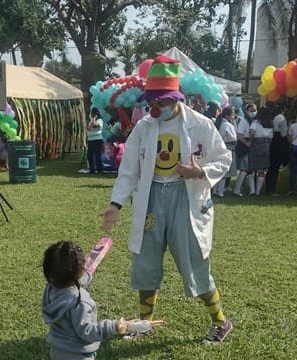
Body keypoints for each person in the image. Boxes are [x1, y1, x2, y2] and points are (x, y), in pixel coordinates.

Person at [100, 54, 233, 344]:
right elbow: (129, 170)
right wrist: (115, 204)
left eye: (161, 101)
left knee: (194, 262)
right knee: (145, 264)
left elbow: (224, 158)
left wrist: (200, 172)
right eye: (152, 102)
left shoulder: (200, 124)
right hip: (151, 199)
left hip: (185, 200)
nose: (155, 107)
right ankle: (144, 324)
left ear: (175, 98)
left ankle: (221, 322)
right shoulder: (144, 127)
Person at [248, 106, 274, 195]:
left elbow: (251, 132)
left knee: (251, 168)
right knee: (262, 169)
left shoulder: (255, 122)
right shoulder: (270, 124)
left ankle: (252, 190)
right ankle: (258, 192)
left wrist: (251, 141)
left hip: (255, 144)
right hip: (266, 145)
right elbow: (270, 138)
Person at [213, 106, 237, 197]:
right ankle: (220, 191)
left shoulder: (219, 123)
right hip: (227, 146)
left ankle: (216, 190)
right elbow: (233, 137)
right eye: (232, 114)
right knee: (225, 169)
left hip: (219, 146)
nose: (234, 116)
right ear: (227, 116)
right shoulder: (228, 125)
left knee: (219, 169)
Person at [266, 103, 289, 196]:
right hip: (280, 141)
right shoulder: (282, 118)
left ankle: (267, 187)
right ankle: (273, 189)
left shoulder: (273, 117)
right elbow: (283, 133)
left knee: (271, 167)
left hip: (273, 141)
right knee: (276, 168)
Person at [232, 109, 252, 196]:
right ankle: (237, 189)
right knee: (244, 169)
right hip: (243, 145)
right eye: (251, 110)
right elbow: (239, 135)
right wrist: (247, 144)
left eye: (255, 110)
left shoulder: (253, 122)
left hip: (249, 144)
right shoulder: (243, 122)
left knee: (246, 169)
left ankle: (242, 188)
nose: (253, 112)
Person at [86, 107, 104, 174]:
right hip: (90, 139)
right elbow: (88, 128)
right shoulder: (91, 120)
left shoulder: (100, 120)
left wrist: (94, 118)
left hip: (97, 140)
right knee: (89, 155)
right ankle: (92, 170)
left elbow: (94, 125)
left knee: (97, 155)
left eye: (93, 113)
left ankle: (100, 170)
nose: (92, 114)